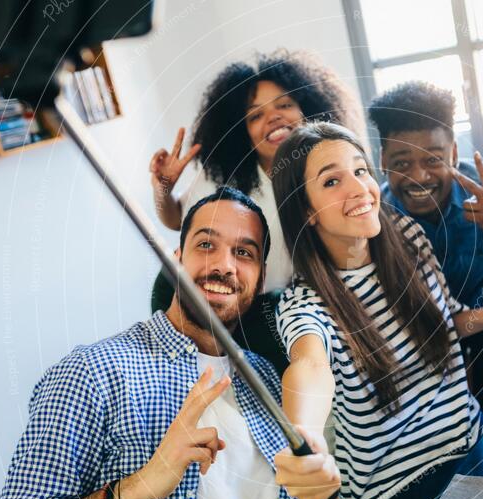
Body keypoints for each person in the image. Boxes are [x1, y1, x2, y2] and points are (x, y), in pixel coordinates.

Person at [0, 188, 332, 499]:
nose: (224, 265)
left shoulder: (268, 378)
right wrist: (139, 487)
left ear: (259, 280)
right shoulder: (91, 372)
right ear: (175, 261)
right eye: (206, 245)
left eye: (243, 252)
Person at [270, 122, 483, 499]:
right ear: (306, 210)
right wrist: (305, 437)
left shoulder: (408, 236)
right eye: (332, 181)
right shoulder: (304, 304)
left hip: (471, 447)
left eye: (360, 171)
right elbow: (310, 368)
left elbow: (448, 324)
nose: (358, 189)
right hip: (395, 495)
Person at [148, 49, 364, 372]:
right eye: (255, 115)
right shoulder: (224, 174)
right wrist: (162, 188)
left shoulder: (332, 172)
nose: (273, 117)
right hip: (198, 293)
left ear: (309, 109)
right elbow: (176, 218)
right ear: (242, 133)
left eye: (285, 105)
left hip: (276, 306)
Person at [368, 81, 483, 416]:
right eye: (402, 163)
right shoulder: (376, 217)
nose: (418, 176)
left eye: (433, 159)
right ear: (382, 160)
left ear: (453, 153)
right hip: (422, 340)